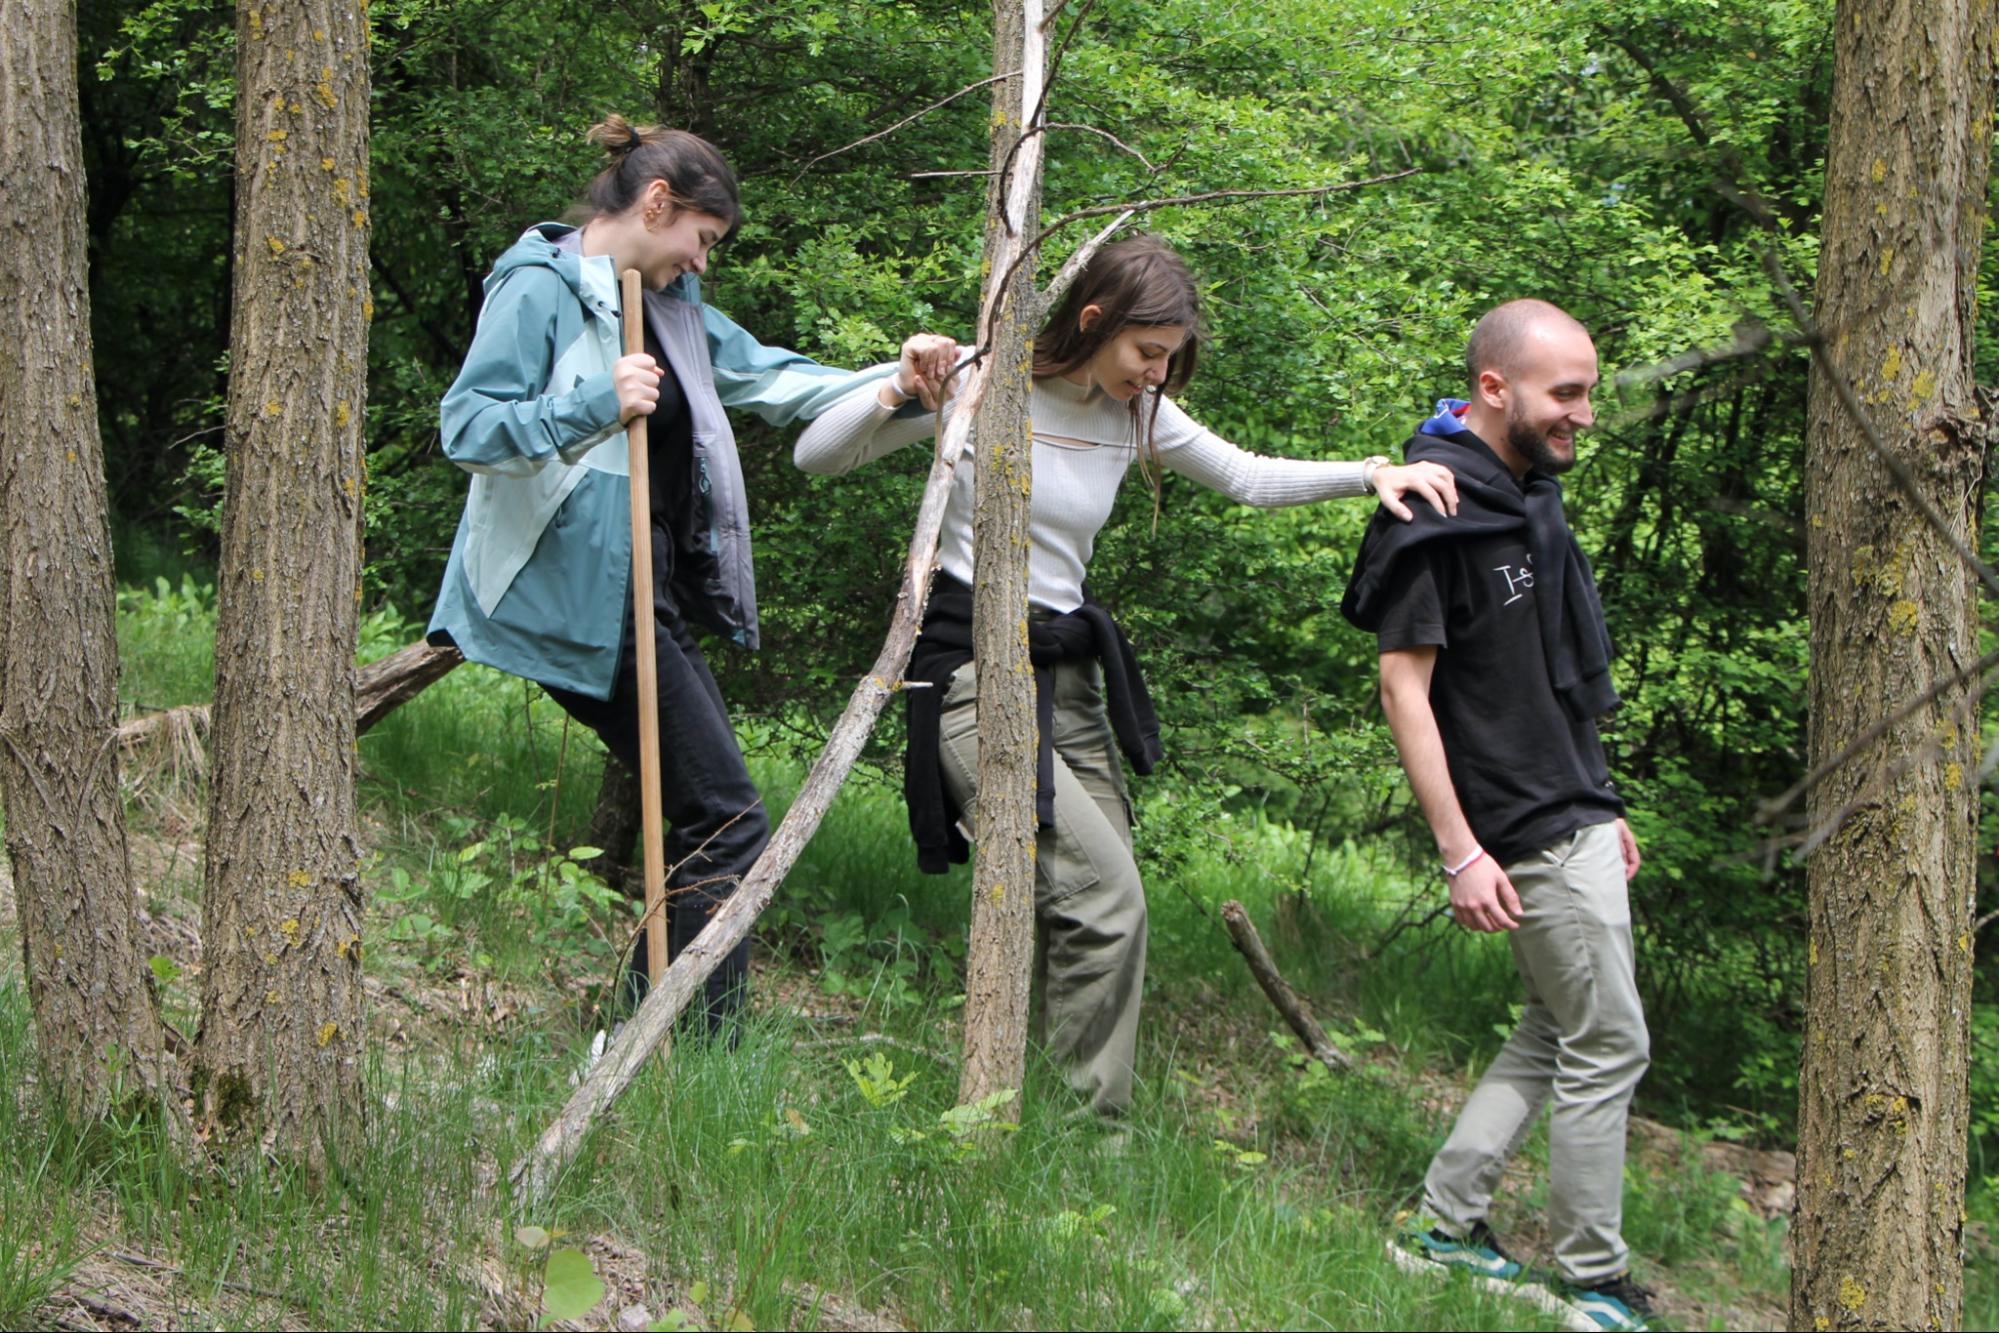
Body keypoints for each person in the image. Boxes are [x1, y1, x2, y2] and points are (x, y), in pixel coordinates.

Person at [792, 234, 1460, 1116]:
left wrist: (1372, 473)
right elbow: (818, 453)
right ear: (1092, 319)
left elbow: (1246, 476)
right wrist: (896, 382)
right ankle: (1090, 1131)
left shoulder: (1136, 411)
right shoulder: (981, 382)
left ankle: (1036, 1119)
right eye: (1147, 351)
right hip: (973, 675)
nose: (1156, 373)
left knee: (1097, 904)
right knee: (1102, 898)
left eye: (1169, 357)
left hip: (1067, 682)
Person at [426, 116, 935, 1029]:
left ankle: (645, 1037)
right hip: (572, 596)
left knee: (716, 813)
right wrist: (595, 402)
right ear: (657, 203)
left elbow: (782, 381)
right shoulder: (538, 285)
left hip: (640, 594)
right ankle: (673, 1040)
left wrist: (903, 383)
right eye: (701, 238)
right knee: (727, 816)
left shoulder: (674, 310)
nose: (701, 261)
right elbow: (467, 427)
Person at [1340, 299, 1654, 1331]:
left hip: (1572, 801)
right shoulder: (1432, 508)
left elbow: (1548, 674)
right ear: (1492, 387)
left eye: (1587, 393)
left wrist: (1601, 796)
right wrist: (1459, 851)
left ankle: (1442, 1224)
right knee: (1607, 1040)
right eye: (1565, 393)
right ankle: (1590, 1279)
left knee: (1556, 1025)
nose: (1583, 415)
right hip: (1522, 821)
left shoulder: (1526, 500)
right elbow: (1403, 687)